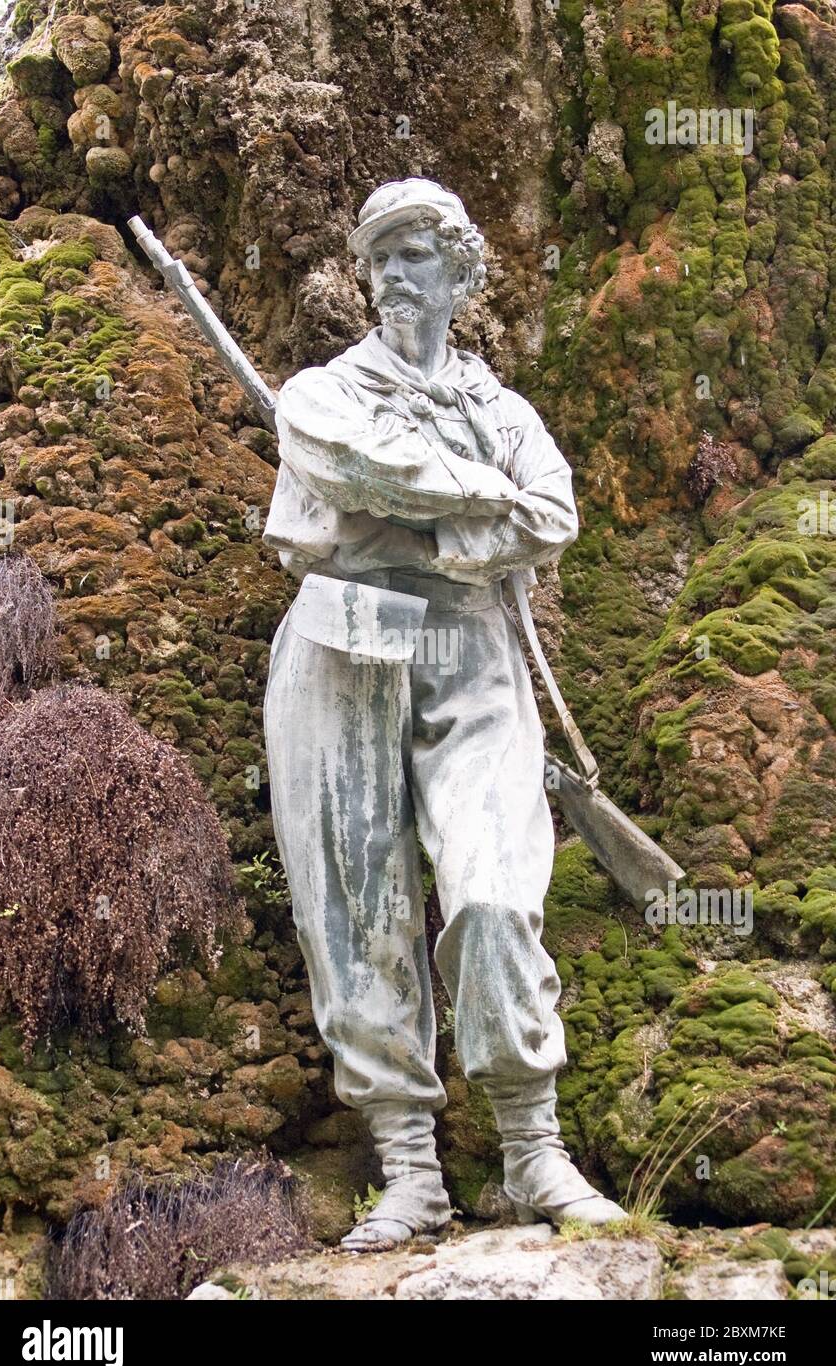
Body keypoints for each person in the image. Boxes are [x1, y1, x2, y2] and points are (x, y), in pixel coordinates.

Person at [262, 178, 626, 1252]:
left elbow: (552, 511)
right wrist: (475, 499)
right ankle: (410, 1172)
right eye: (378, 258)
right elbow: (350, 458)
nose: (392, 275)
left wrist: (432, 526)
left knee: (493, 890)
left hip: (470, 649)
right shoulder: (322, 392)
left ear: (463, 270)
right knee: (355, 907)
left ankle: (531, 1150)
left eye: (416, 252)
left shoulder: (504, 411)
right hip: (343, 642)